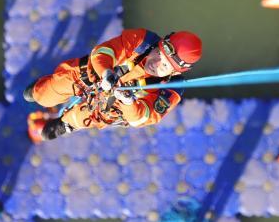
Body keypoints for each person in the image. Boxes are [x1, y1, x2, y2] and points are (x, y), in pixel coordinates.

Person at [24, 29, 202, 142]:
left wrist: (128, 103)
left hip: (109, 106)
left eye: (165, 65)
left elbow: (142, 118)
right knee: (45, 93)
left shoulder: (171, 89)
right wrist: (105, 72)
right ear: (160, 43)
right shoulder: (143, 40)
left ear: (175, 72)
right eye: (158, 53)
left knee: (82, 118)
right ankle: (40, 91)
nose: (155, 63)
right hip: (91, 76)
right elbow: (103, 52)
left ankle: (66, 123)